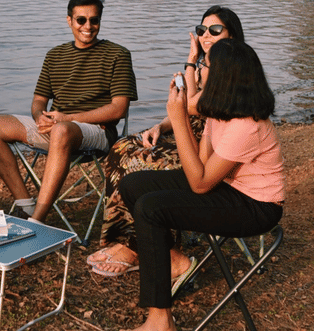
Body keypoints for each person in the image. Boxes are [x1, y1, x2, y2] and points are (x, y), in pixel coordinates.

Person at [119, 39, 285, 331]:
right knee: (134, 185)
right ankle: (173, 261)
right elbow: (198, 165)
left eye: (202, 65)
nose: (197, 70)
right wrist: (181, 116)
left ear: (220, 75)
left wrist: (179, 119)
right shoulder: (221, 111)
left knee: (151, 208)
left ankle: (160, 320)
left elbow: (199, 183)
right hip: (226, 187)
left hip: (257, 206)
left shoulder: (247, 125)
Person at [88, 6, 245, 277]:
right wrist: (159, 125)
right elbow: (185, 110)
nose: (206, 35)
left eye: (215, 30)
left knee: (142, 163)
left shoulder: (234, 70)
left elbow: (191, 107)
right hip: (185, 133)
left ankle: (144, 247)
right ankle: (123, 239)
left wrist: (192, 70)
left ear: (231, 35)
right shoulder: (203, 66)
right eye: (202, 30)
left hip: (211, 148)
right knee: (122, 148)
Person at [0, 0, 138, 224]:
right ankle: (26, 205)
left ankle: (38, 220)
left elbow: (118, 109)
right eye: (81, 20)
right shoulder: (55, 55)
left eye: (94, 20)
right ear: (69, 20)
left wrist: (68, 118)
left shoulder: (118, 55)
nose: (88, 26)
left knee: (62, 130)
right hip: (56, 127)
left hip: (97, 132)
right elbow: (38, 101)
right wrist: (39, 117)